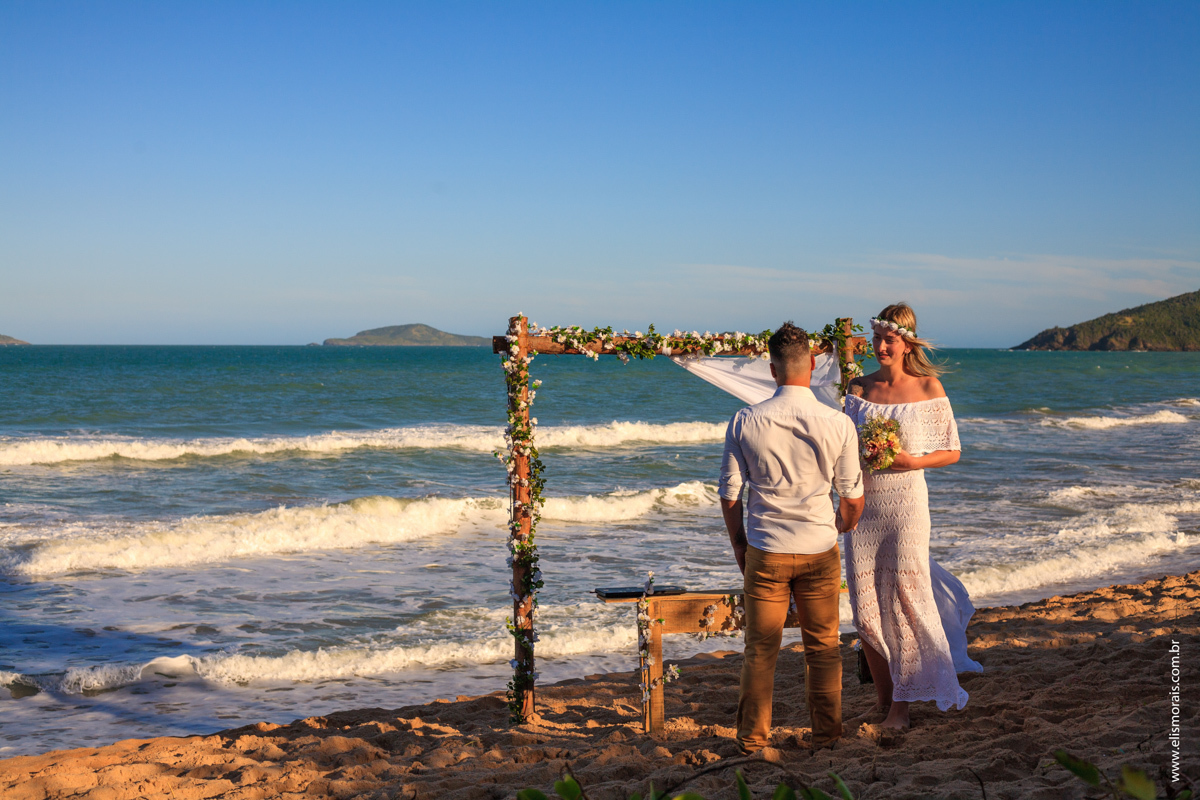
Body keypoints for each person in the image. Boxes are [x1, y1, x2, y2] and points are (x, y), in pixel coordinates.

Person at [720, 322, 865, 753]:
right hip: (819, 548)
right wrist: (840, 525)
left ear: (772, 369)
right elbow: (852, 496)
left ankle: (751, 740)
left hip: (766, 549)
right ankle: (827, 736)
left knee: (760, 651)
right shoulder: (838, 423)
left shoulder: (745, 420)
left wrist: (740, 546)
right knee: (822, 648)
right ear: (813, 364)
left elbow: (729, 495)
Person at [843, 302, 972, 731]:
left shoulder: (928, 387)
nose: (880, 346)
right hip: (864, 508)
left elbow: (952, 450)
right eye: (876, 338)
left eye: (889, 340)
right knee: (865, 608)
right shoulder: (858, 391)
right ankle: (883, 701)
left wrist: (912, 461)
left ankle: (902, 707)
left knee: (902, 601)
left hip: (906, 507)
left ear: (906, 342)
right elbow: (841, 450)